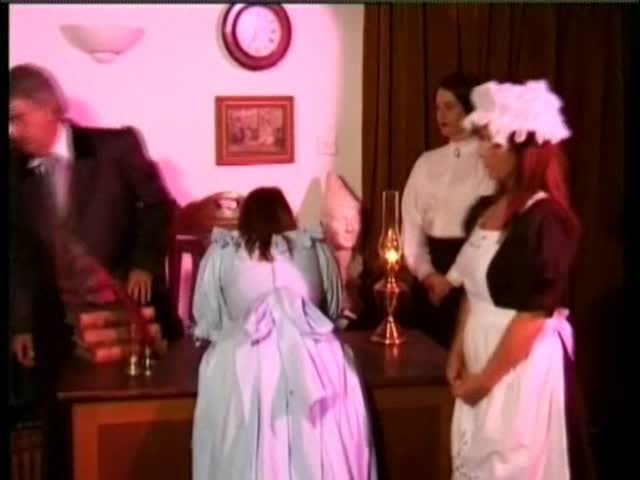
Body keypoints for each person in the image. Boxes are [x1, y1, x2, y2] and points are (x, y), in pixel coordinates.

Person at [9, 63, 180, 476]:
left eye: (17, 118)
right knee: (61, 433)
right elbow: (18, 254)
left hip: (128, 316)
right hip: (58, 327)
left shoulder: (115, 147)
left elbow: (158, 207)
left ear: (49, 108)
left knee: (132, 433)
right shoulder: (12, 169)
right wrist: (21, 325)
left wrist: (143, 265)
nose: (12, 131)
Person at [443, 80, 595, 479]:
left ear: (523, 152)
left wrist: (485, 381)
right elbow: (473, 292)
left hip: (516, 370)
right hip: (480, 359)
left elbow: (532, 315)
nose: (483, 152)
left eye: (492, 143)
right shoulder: (487, 209)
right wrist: (458, 352)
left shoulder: (546, 221)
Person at [191, 187, 378, 480]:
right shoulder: (314, 248)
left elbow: (208, 320)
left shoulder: (224, 254)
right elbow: (330, 312)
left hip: (247, 363)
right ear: (287, 216)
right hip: (314, 364)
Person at [401, 72, 495, 349]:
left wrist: (452, 281)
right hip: (430, 280)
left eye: (449, 107)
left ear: (470, 108)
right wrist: (427, 274)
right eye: (437, 107)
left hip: (472, 280)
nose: (441, 115)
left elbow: (488, 230)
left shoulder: (488, 161)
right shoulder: (426, 163)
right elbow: (412, 228)